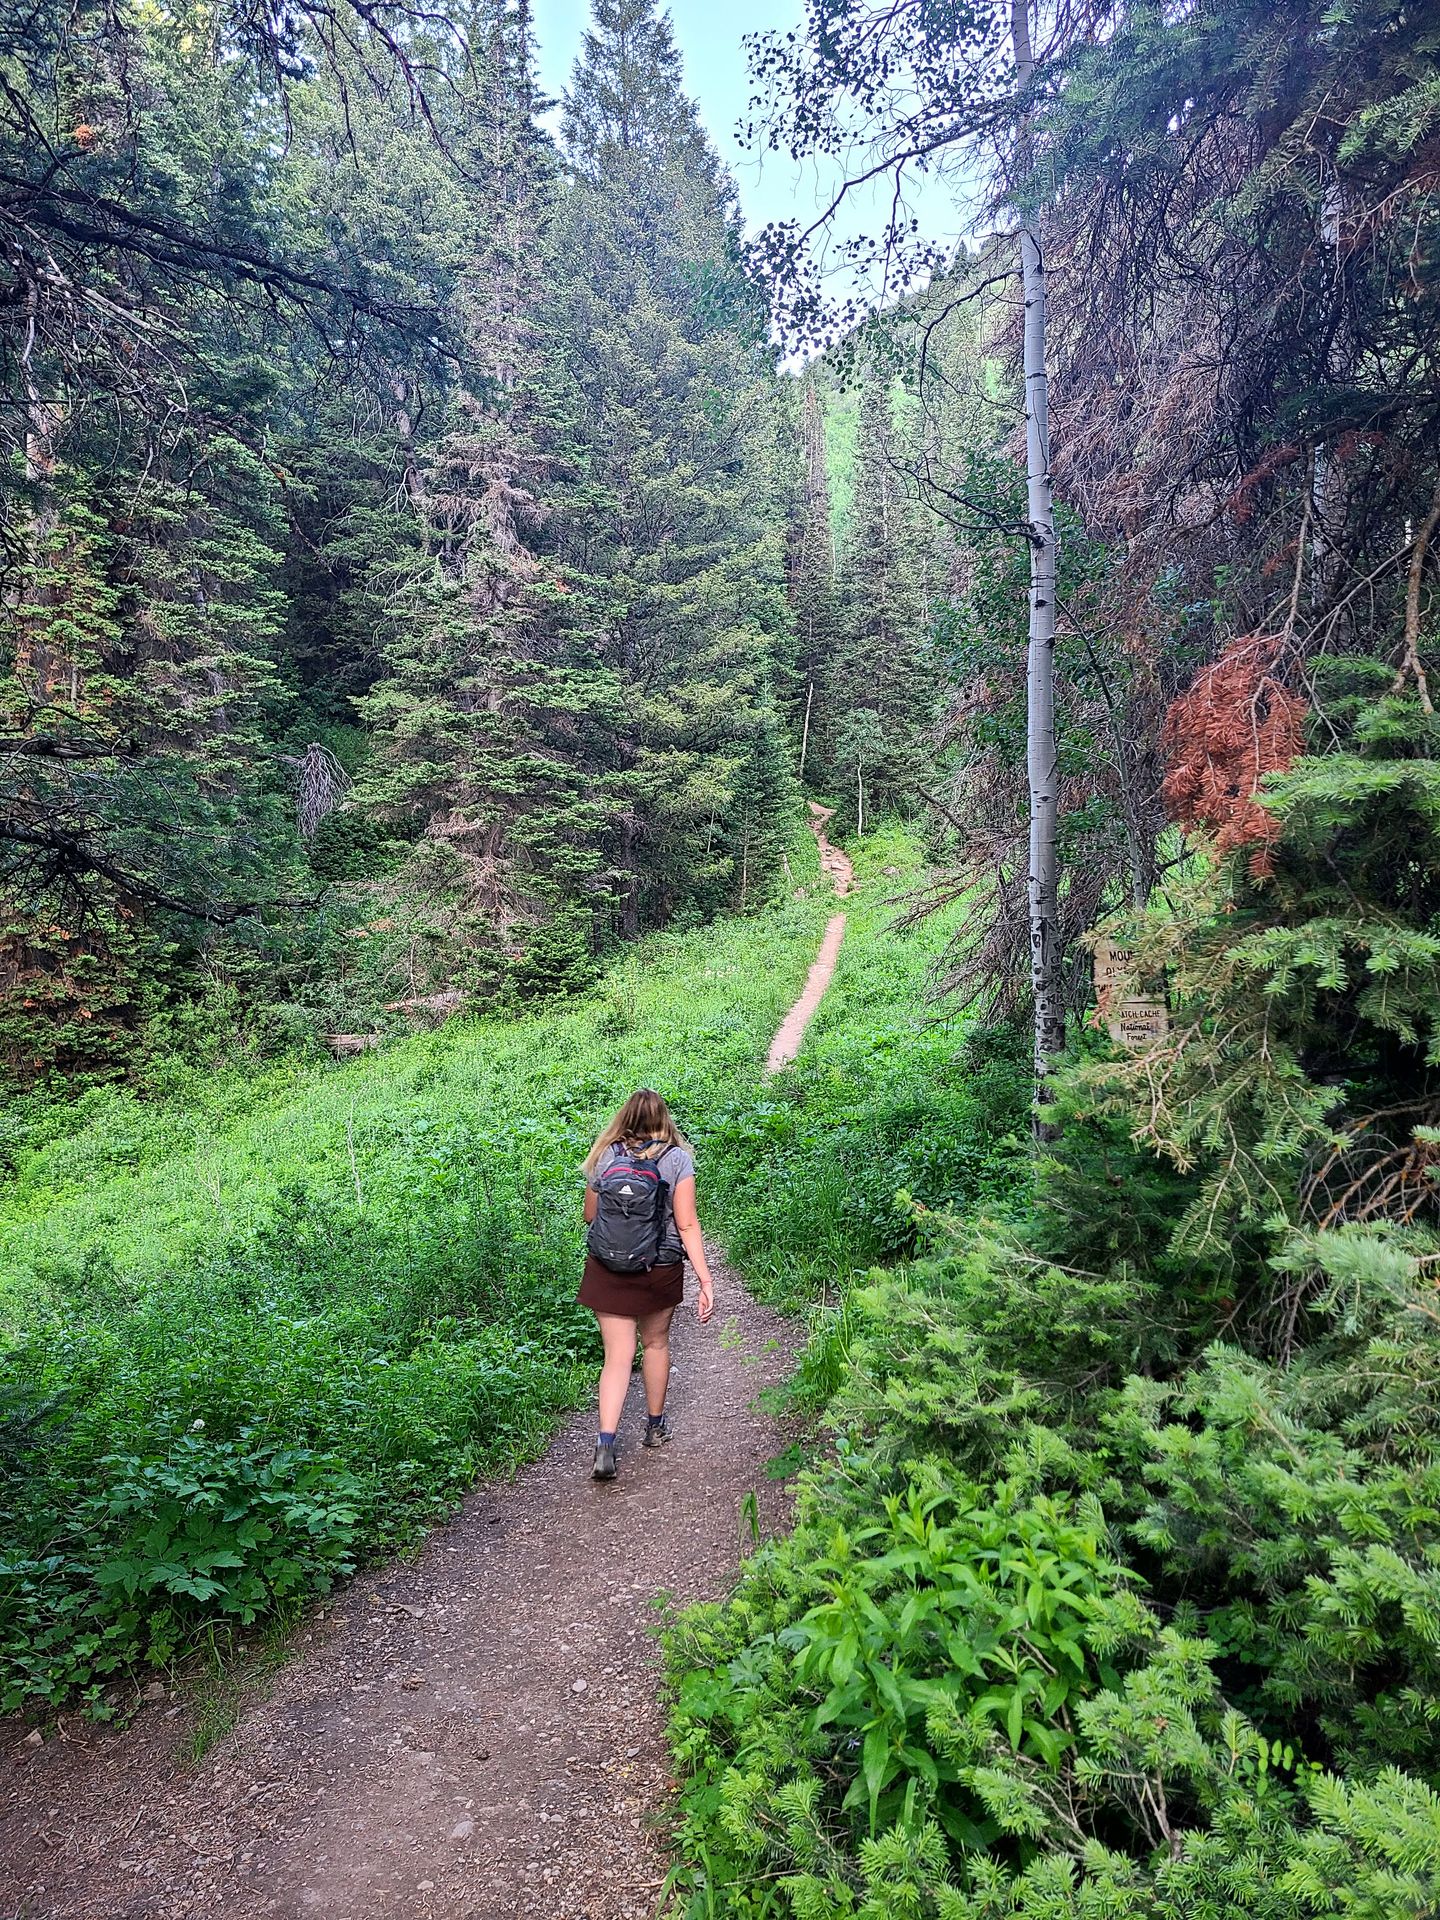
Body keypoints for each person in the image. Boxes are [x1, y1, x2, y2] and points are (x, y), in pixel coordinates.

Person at [580, 1088, 715, 1481]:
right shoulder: (677, 1160)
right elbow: (686, 1224)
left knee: (616, 1357)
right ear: (663, 1119)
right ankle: (654, 1427)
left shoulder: (604, 1156)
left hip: (607, 1268)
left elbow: (590, 1216)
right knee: (654, 1344)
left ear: (624, 1118)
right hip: (659, 1267)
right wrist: (705, 1279)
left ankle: (605, 1444)